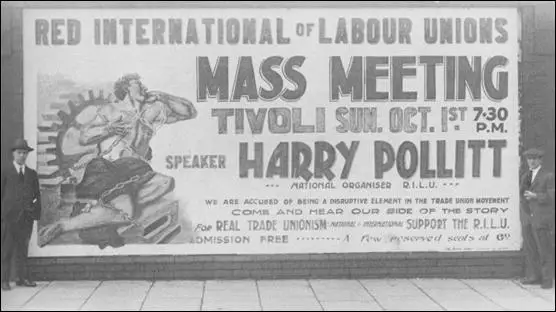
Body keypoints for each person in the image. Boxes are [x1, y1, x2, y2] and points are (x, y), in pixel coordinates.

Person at [38, 73, 196, 248]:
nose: (143, 87)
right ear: (126, 87)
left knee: (165, 182)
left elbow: (188, 112)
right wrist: (108, 128)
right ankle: (67, 224)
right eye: (138, 83)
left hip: (136, 168)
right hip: (107, 167)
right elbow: (84, 136)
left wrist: (161, 95)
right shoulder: (111, 110)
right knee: (127, 210)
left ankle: (84, 216)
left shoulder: (152, 112)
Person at [1, 139, 42, 291]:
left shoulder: (31, 174)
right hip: (9, 219)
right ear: (14, 154)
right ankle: (4, 280)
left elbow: (37, 195)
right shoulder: (5, 172)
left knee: (22, 250)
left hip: (26, 219)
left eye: (25, 153)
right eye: (19, 153)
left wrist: (34, 214)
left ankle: (21, 278)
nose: (22, 156)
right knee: (7, 250)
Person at [519, 148, 555, 289]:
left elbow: (553, 196)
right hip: (528, 217)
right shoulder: (525, 175)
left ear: (540, 160)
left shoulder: (548, 176)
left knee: (544, 249)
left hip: (542, 218)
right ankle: (534, 276)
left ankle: (547, 279)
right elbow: (522, 195)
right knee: (531, 248)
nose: (531, 161)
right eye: (529, 159)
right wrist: (526, 213)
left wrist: (536, 196)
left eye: (534, 158)